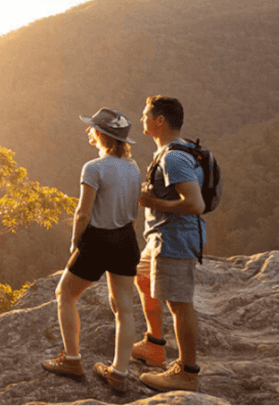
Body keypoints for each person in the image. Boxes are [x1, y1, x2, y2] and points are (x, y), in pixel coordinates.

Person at [41, 108, 142, 392]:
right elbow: (133, 212)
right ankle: (119, 373)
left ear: (101, 134)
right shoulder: (133, 168)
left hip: (97, 240)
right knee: (123, 308)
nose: (88, 131)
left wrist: (76, 242)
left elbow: (83, 213)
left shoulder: (94, 168)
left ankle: (72, 359)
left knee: (65, 294)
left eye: (92, 128)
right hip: (125, 239)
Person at [132, 95, 205, 392]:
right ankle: (154, 345)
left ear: (159, 120)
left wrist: (152, 201)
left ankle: (187, 372)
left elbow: (195, 204)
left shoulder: (173, 157)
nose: (141, 120)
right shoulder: (176, 150)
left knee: (179, 304)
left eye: (145, 115)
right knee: (142, 276)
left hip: (175, 238)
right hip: (160, 237)